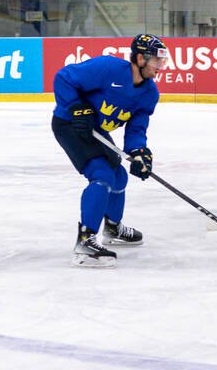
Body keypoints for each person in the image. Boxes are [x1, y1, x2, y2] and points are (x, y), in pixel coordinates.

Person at [49, 33, 166, 267]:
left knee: (119, 176)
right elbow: (63, 78)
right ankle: (85, 241)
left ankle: (112, 228)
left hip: (96, 130)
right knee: (102, 175)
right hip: (70, 125)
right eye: (156, 60)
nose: (160, 66)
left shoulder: (149, 93)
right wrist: (76, 107)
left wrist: (139, 152)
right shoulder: (108, 68)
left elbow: (136, 128)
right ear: (140, 58)